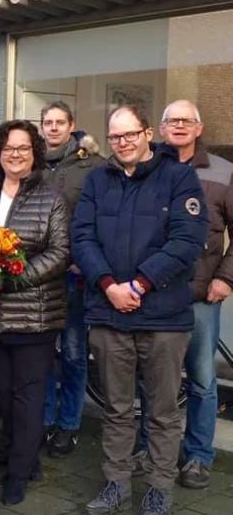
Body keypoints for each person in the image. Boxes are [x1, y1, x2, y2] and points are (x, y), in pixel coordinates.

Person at [73, 105, 208, 515]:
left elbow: (187, 241)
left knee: (163, 413)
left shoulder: (179, 177)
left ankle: (159, 490)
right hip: (109, 314)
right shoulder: (98, 180)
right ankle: (116, 485)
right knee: (116, 409)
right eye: (115, 137)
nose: (123, 143)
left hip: (164, 318)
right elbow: (82, 238)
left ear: (148, 133)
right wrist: (109, 285)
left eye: (130, 134)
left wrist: (142, 282)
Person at [0, 120, 70, 506]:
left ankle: (17, 475)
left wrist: (13, 276)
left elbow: (60, 253)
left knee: (28, 396)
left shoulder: (50, 197)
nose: (16, 154)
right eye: (9, 148)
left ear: (34, 152)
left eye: (24, 148)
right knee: (5, 395)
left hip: (33, 316)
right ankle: (28, 457)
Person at [134, 100, 233, 490]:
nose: (179, 126)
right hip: (153, 294)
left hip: (200, 296)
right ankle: (148, 448)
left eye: (186, 121)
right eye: (171, 120)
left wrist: (225, 278)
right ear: (159, 130)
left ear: (199, 127)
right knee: (153, 378)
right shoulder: (145, 169)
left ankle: (197, 456)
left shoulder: (224, 173)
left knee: (202, 380)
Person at [39, 101, 105, 458]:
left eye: (59, 122)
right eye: (47, 123)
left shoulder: (91, 165)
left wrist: (86, 260)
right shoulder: (32, 162)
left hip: (74, 276)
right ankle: (46, 419)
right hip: (37, 277)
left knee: (75, 353)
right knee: (44, 352)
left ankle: (69, 425)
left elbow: (101, 217)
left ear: (71, 125)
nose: (53, 128)